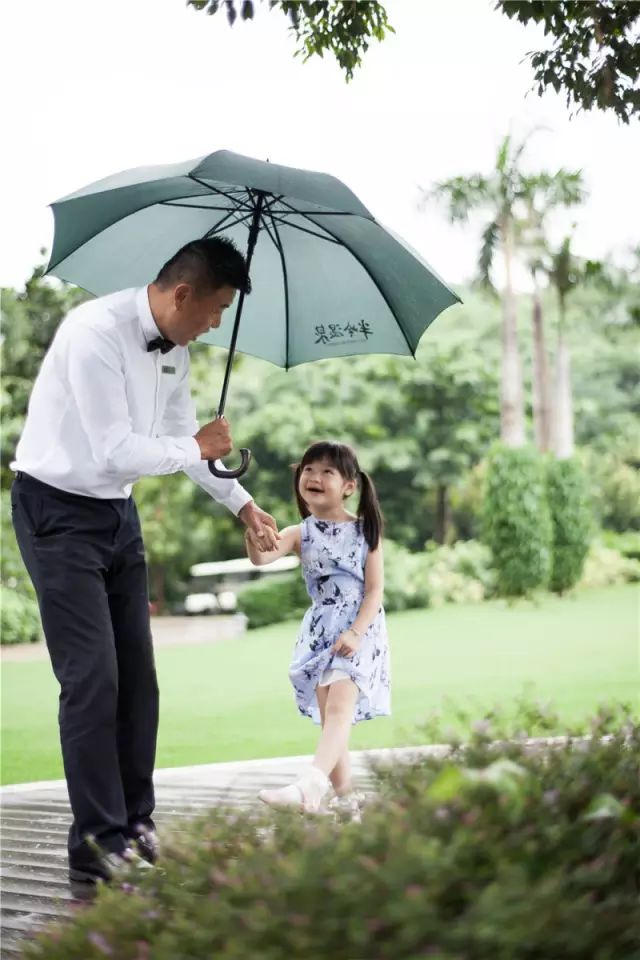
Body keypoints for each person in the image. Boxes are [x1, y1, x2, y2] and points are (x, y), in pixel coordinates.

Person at [10, 237, 279, 893]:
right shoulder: (94, 334)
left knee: (138, 679)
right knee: (92, 680)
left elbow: (188, 449)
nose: (215, 323)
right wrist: (195, 444)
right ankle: (97, 844)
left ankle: (136, 826)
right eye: (216, 309)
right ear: (182, 294)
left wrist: (243, 505)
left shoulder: (175, 352)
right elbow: (115, 452)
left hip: (116, 515)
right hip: (56, 512)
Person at [244, 440, 390, 816]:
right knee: (331, 724)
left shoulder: (365, 531)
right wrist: (253, 535)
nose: (314, 476)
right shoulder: (300, 533)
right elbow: (262, 557)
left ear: (349, 486)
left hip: (359, 630)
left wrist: (356, 632)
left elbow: (374, 591)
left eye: (327, 471)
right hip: (321, 631)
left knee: (339, 712)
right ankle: (346, 801)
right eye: (308, 469)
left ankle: (309, 785)